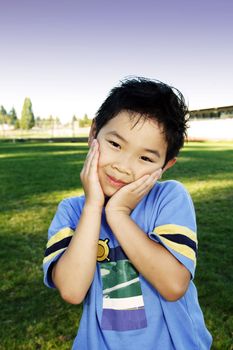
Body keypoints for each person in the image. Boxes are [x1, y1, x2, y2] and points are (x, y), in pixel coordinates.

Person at [43, 77, 212, 349]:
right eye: (116, 144)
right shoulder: (72, 211)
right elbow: (72, 291)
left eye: (145, 158)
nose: (123, 167)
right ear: (93, 133)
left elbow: (173, 285)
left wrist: (118, 214)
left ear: (166, 165)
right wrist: (93, 207)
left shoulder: (168, 198)